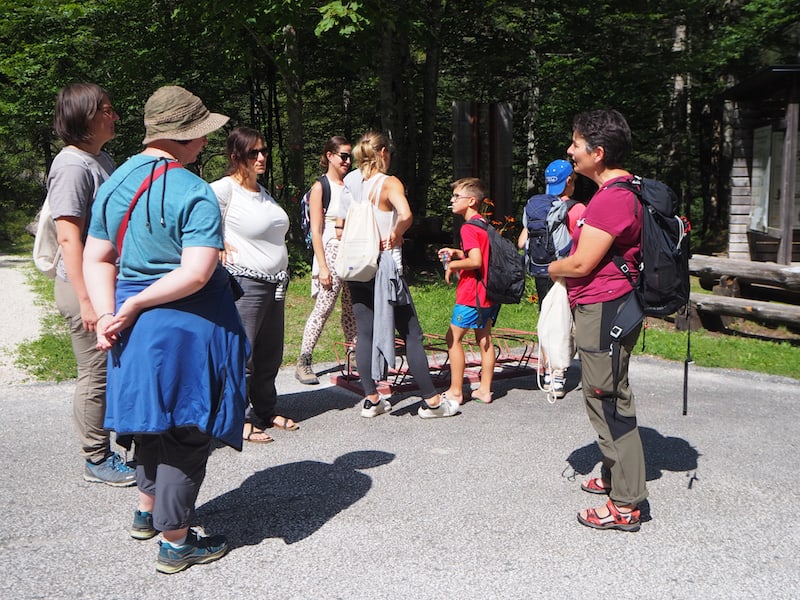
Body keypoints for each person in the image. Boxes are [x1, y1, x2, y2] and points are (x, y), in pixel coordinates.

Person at [83, 85, 248, 573]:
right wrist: (132, 304)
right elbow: (196, 272)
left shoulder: (115, 181)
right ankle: (176, 542)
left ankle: (147, 511)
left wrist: (109, 311)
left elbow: (97, 255)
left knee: (149, 419)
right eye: (201, 135)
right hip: (185, 325)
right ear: (185, 136)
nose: (204, 144)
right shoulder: (193, 190)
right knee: (188, 426)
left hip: (132, 324)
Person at [548, 109, 646, 532]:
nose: (570, 151)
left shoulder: (612, 198)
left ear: (598, 153)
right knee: (605, 393)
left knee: (607, 400)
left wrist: (551, 269)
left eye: (576, 144)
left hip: (606, 309)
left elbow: (584, 262)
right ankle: (613, 475)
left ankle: (625, 504)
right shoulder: (626, 190)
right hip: (611, 306)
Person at [337, 131, 458, 419]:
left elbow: (340, 223)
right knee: (412, 333)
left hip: (358, 267)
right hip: (384, 268)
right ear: (382, 154)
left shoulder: (354, 185)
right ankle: (431, 400)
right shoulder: (388, 183)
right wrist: (395, 233)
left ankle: (371, 399)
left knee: (364, 333)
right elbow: (405, 214)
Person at [48, 83, 135, 486]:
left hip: (105, 284)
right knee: (96, 371)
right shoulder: (71, 166)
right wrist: (87, 301)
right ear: (86, 117)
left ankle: (121, 436)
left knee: (112, 367)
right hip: (83, 287)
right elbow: (69, 237)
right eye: (107, 110)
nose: (114, 116)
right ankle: (96, 457)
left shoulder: (101, 158)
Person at [210, 127, 298, 444]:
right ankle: (237, 419)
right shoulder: (222, 190)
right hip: (243, 283)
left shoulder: (262, 192)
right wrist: (216, 245)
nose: (261, 157)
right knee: (241, 355)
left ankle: (266, 409)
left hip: (275, 284)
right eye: (253, 153)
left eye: (263, 151)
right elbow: (200, 225)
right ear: (236, 156)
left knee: (269, 354)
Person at [517, 159, 585, 398]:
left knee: (547, 321)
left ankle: (547, 372)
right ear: (569, 181)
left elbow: (521, 242)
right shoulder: (577, 209)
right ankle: (559, 374)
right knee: (566, 322)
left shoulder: (538, 206)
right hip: (568, 274)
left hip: (542, 272)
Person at [294, 136, 358, 385]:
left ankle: (353, 358)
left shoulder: (352, 184)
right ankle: (304, 360)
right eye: (343, 155)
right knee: (323, 308)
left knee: (352, 309)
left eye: (350, 156)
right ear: (329, 156)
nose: (347, 161)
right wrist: (322, 266)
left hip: (353, 252)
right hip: (331, 250)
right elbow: (316, 230)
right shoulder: (321, 186)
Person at [437, 177, 499, 405]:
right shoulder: (483, 223)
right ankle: (484, 390)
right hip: (487, 293)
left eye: (456, 197)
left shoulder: (468, 228)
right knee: (484, 339)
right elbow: (482, 255)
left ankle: (455, 391)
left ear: (471, 201)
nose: (452, 200)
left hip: (471, 294)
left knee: (452, 338)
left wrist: (452, 265)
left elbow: (475, 261)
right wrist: (457, 252)